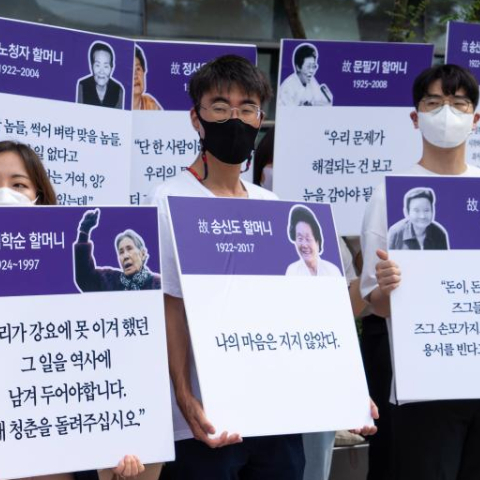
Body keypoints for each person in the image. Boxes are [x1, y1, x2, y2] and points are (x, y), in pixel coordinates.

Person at [150, 55, 376, 480]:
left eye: (247, 109)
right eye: (220, 107)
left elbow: (307, 315)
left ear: (261, 120)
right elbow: (171, 305)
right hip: (205, 422)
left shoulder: (274, 208)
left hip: (277, 415)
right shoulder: (167, 200)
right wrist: (183, 394)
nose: (234, 119)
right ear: (196, 118)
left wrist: (345, 391)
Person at [0, 141, 146, 480]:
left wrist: (117, 441)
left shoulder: (73, 289)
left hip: (60, 459)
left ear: (40, 198)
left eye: (18, 185)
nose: (3, 193)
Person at [360, 64, 480, 480]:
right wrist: (388, 291)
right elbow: (373, 303)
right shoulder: (389, 194)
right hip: (425, 384)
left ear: (475, 117)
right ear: (416, 116)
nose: (447, 112)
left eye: (459, 103)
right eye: (434, 102)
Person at [74, 208, 161, 292]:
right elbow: (85, 277)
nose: (125, 256)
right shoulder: (109, 281)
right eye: (121, 252)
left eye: (129, 249)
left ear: (142, 254)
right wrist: (84, 233)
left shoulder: (157, 284)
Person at [285, 205, 341, 277]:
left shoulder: (332, 270)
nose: (304, 245)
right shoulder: (292, 271)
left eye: (308, 239)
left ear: (317, 242)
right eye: (300, 238)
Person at [278, 43, 332, 107]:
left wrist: (327, 101)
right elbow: (287, 114)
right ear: (298, 67)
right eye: (308, 66)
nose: (312, 71)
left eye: (313, 66)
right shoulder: (287, 88)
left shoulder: (312, 81)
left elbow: (320, 102)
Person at [76, 41, 124, 109]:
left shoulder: (118, 90)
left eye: (106, 66)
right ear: (92, 66)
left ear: (111, 67)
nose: (101, 71)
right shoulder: (81, 87)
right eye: (97, 65)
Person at [133, 46, 162, 111]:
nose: (135, 76)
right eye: (131, 71)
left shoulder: (150, 105)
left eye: (138, 69)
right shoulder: (116, 103)